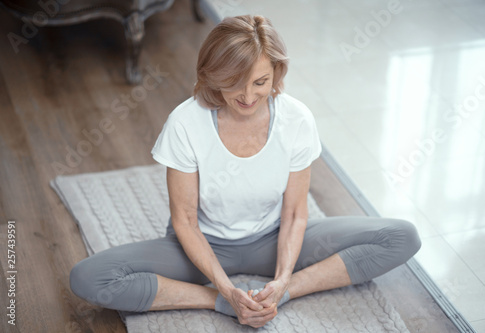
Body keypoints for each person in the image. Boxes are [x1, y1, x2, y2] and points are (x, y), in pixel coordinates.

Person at [69, 15, 421, 328]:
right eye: (234, 82)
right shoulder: (185, 122)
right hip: (203, 244)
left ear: (276, 74)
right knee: (89, 277)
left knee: (402, 236)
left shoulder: (296, 119)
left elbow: (296, 213)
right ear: (214, 75)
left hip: (272, 237)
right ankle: (216, 301)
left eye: (260, 82)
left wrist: (283, 283)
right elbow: (185, 221)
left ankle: (286, 292)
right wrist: (225, 293)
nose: (248, 96)